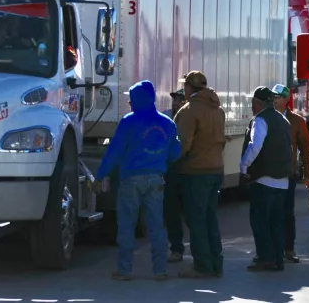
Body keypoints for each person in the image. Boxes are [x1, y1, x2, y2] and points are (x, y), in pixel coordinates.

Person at [94, 80, 181, 281]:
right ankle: (160, 269)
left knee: (126, 224)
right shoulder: (167, 123)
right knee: (156, 225)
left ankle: (125, 270)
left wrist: (100, 175)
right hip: (156, 180)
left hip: (131, 180)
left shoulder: (128, 121)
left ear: (136, 100)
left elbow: (114, 152)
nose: (130, 104)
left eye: (131, 100)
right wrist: (159, 160)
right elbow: (175, 152)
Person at [173, 71, 227, 278]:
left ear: (189, 88)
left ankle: (202, 266)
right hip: (215, 169)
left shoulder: (189, 111)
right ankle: (215, 263)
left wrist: (172, 162)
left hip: (196, 172)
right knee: (210, 218)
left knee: (196, 220)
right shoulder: (217, 110)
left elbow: (183, 144)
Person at [240, 86, 293, 271]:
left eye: (252, 102)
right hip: (282, 182)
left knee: (260, 221)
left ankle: (265, 258)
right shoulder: (283, 120)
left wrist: (244, 166)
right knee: (277, 223)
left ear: (258, 103)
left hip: (263, 180)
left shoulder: (261, 119)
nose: (251, 106)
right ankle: (278, 259)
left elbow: (255, 145)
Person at [272, 83, 309, 263]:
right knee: (271, 212)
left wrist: (308, 173)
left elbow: (305, 148)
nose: (274, 100)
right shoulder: (266, 118)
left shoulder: (297, 121)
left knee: (287, 212)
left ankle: (288, 248)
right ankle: (272, 249)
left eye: (278, 97)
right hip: (269, 173)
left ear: (287, 99)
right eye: (273, 96)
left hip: (288, 173)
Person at [162, 88, 188, 263]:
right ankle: (176, 248)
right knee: (170, 212)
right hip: (170, 170)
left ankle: (200, 251)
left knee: (192, 214)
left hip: (188, 169)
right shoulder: (165, 117)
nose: (175, 102)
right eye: (174, 99)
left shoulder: (190, 118)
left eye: (180, 99)